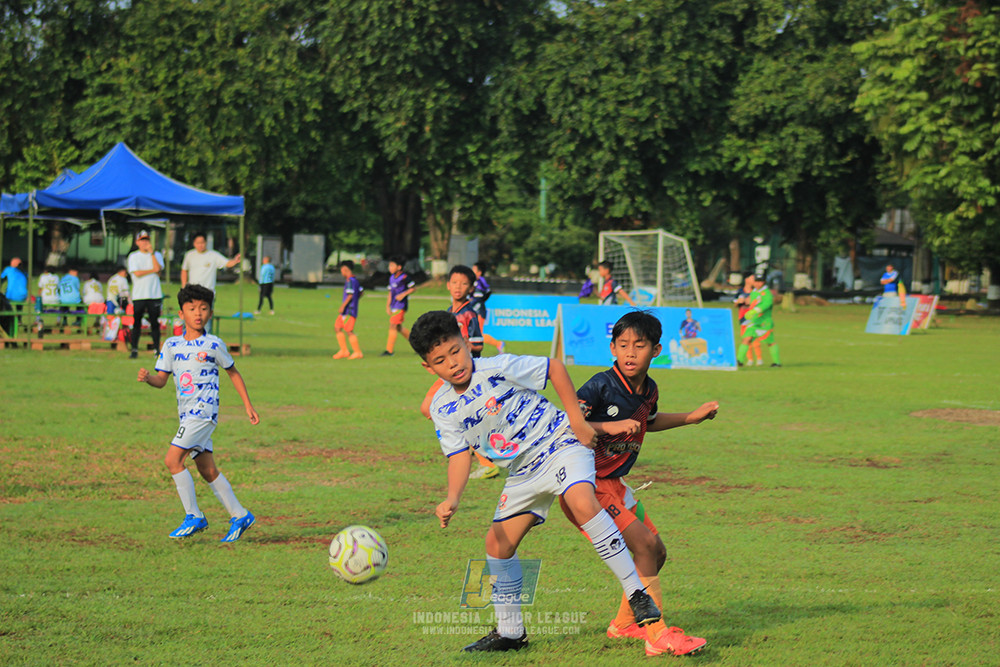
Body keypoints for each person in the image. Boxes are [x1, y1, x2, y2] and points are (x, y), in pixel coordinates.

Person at [409, 310, 662, 653]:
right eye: (440, 360)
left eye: (456, 351)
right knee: (497, 545)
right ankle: (511, 632)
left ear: (467, 344)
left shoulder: (496, 367)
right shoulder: (441, 406)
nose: (453, 363)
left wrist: (576, 420)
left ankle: (637, 593)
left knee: (583, 502)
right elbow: (457, 455)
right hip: (523, 471)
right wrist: (453, 497)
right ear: (428, 368)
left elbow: (554, 368)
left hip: (559, 443)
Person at [559, 311, 715, 657]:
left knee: (656, 552)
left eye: (639, 346)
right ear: (612, 347)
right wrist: (608, 427)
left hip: (616, 484)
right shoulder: (600, 385)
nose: (630, 353)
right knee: (643, 545)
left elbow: (648, 421)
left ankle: (624, 624)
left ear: (656, 350)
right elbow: (569, 425)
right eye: (623, 345)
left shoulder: (649, 390)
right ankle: (657, 634)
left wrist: (691, 418)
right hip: (587, 484)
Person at [137, 284, 259, 542]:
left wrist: (247, 405)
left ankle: (194, 516)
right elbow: (162, 380)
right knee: (207, 469)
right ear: (181, 314)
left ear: (210, 313)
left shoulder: (213, 344)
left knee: (173, 461)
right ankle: (240, 515)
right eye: (192, 309)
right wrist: (148, 378)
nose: (198, 313)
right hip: (186, 415)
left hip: (203, 413)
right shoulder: (171, 345)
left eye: (203, 308)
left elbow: (233, 373)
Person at [419, 265, 497, 479]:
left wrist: (461, 351)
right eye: (454, 282)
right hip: (448, 374)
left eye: (463, 283)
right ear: (447, 285)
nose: (458, 287)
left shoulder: (469, 314)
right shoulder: (448, 313)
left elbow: (478, 344)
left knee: (430, 408)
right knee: (435, 410)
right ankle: (480, 454)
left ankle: (480, 457)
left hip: (463, 375)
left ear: (471, 287)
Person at [127, 230, 164, 359]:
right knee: (137, 323)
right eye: (142, 240)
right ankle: (134, 349)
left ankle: (156, 349)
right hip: (139, 294)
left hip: (154, 294)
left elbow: (158, 269)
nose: (145, 243)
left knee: (155, 322)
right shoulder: (134, 256)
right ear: (137, 242)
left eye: (147, 240)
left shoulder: (156, 254)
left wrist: (152, 254)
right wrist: (152, 271)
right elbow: (136, 273)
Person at [739, 272, 781, 368]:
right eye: (756, 281)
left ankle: (777, 362)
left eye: (760, 282)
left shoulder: (767, 293)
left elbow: (767, 304)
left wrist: (755, 311)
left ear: (764, 282)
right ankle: (739, 361)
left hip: (764, 322)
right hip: (754, 321)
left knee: (770, 342)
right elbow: (752, 303)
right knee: (746, 339)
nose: (758, 284)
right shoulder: (754, 292)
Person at [381, 256, 415, 356]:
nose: (389, 268)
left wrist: (403, 294)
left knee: (393, 325)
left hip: (401, 305)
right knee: (399, 327)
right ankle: (418, 345)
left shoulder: (404, 277)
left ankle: (389, 350)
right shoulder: (391, 278)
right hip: (394, 305)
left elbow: (413, 288)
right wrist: (387, 306)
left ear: (399, 267)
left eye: (392, 265)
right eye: (389, 266)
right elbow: (390, 293)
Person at [471, 262, 505, 354]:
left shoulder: (479, 281)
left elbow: (483, 294)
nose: (472, 271)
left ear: (479, 272)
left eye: (474, 269)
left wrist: (477, 302)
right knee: (473, 333)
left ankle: (498, 343)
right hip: (475, 310)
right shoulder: (476, 281)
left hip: (478, 310)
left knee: (479, 334)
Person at [333, 260, 363, 359]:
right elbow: (361, 292)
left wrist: (343, 306)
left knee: (349, 330)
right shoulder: (355, 280)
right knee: (337, 327)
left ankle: (357, 352)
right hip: (348, 309)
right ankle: (344, 351)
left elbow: (350, 295)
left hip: (349, 310)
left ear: (345, 269)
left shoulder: (350, 281)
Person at [734, 273, 763, 366]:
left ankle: (759, 358)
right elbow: (735, 304)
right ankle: (749, 359)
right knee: (745, 339)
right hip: (743, 318)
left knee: (754, 338)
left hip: (753, 317)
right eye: (751, 278)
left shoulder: (756, 292)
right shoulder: (740, 291)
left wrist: (749, 301)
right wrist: (739, 302)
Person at [36, 265, 60, 335]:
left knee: (37, 306)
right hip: (55, 299)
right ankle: (58, 320)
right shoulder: (57, 277)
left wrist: (38, 297)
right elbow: (58, 289)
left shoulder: (43, 277)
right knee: (59, 308)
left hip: (45, 298)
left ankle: (37, 320)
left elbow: (40, 289)